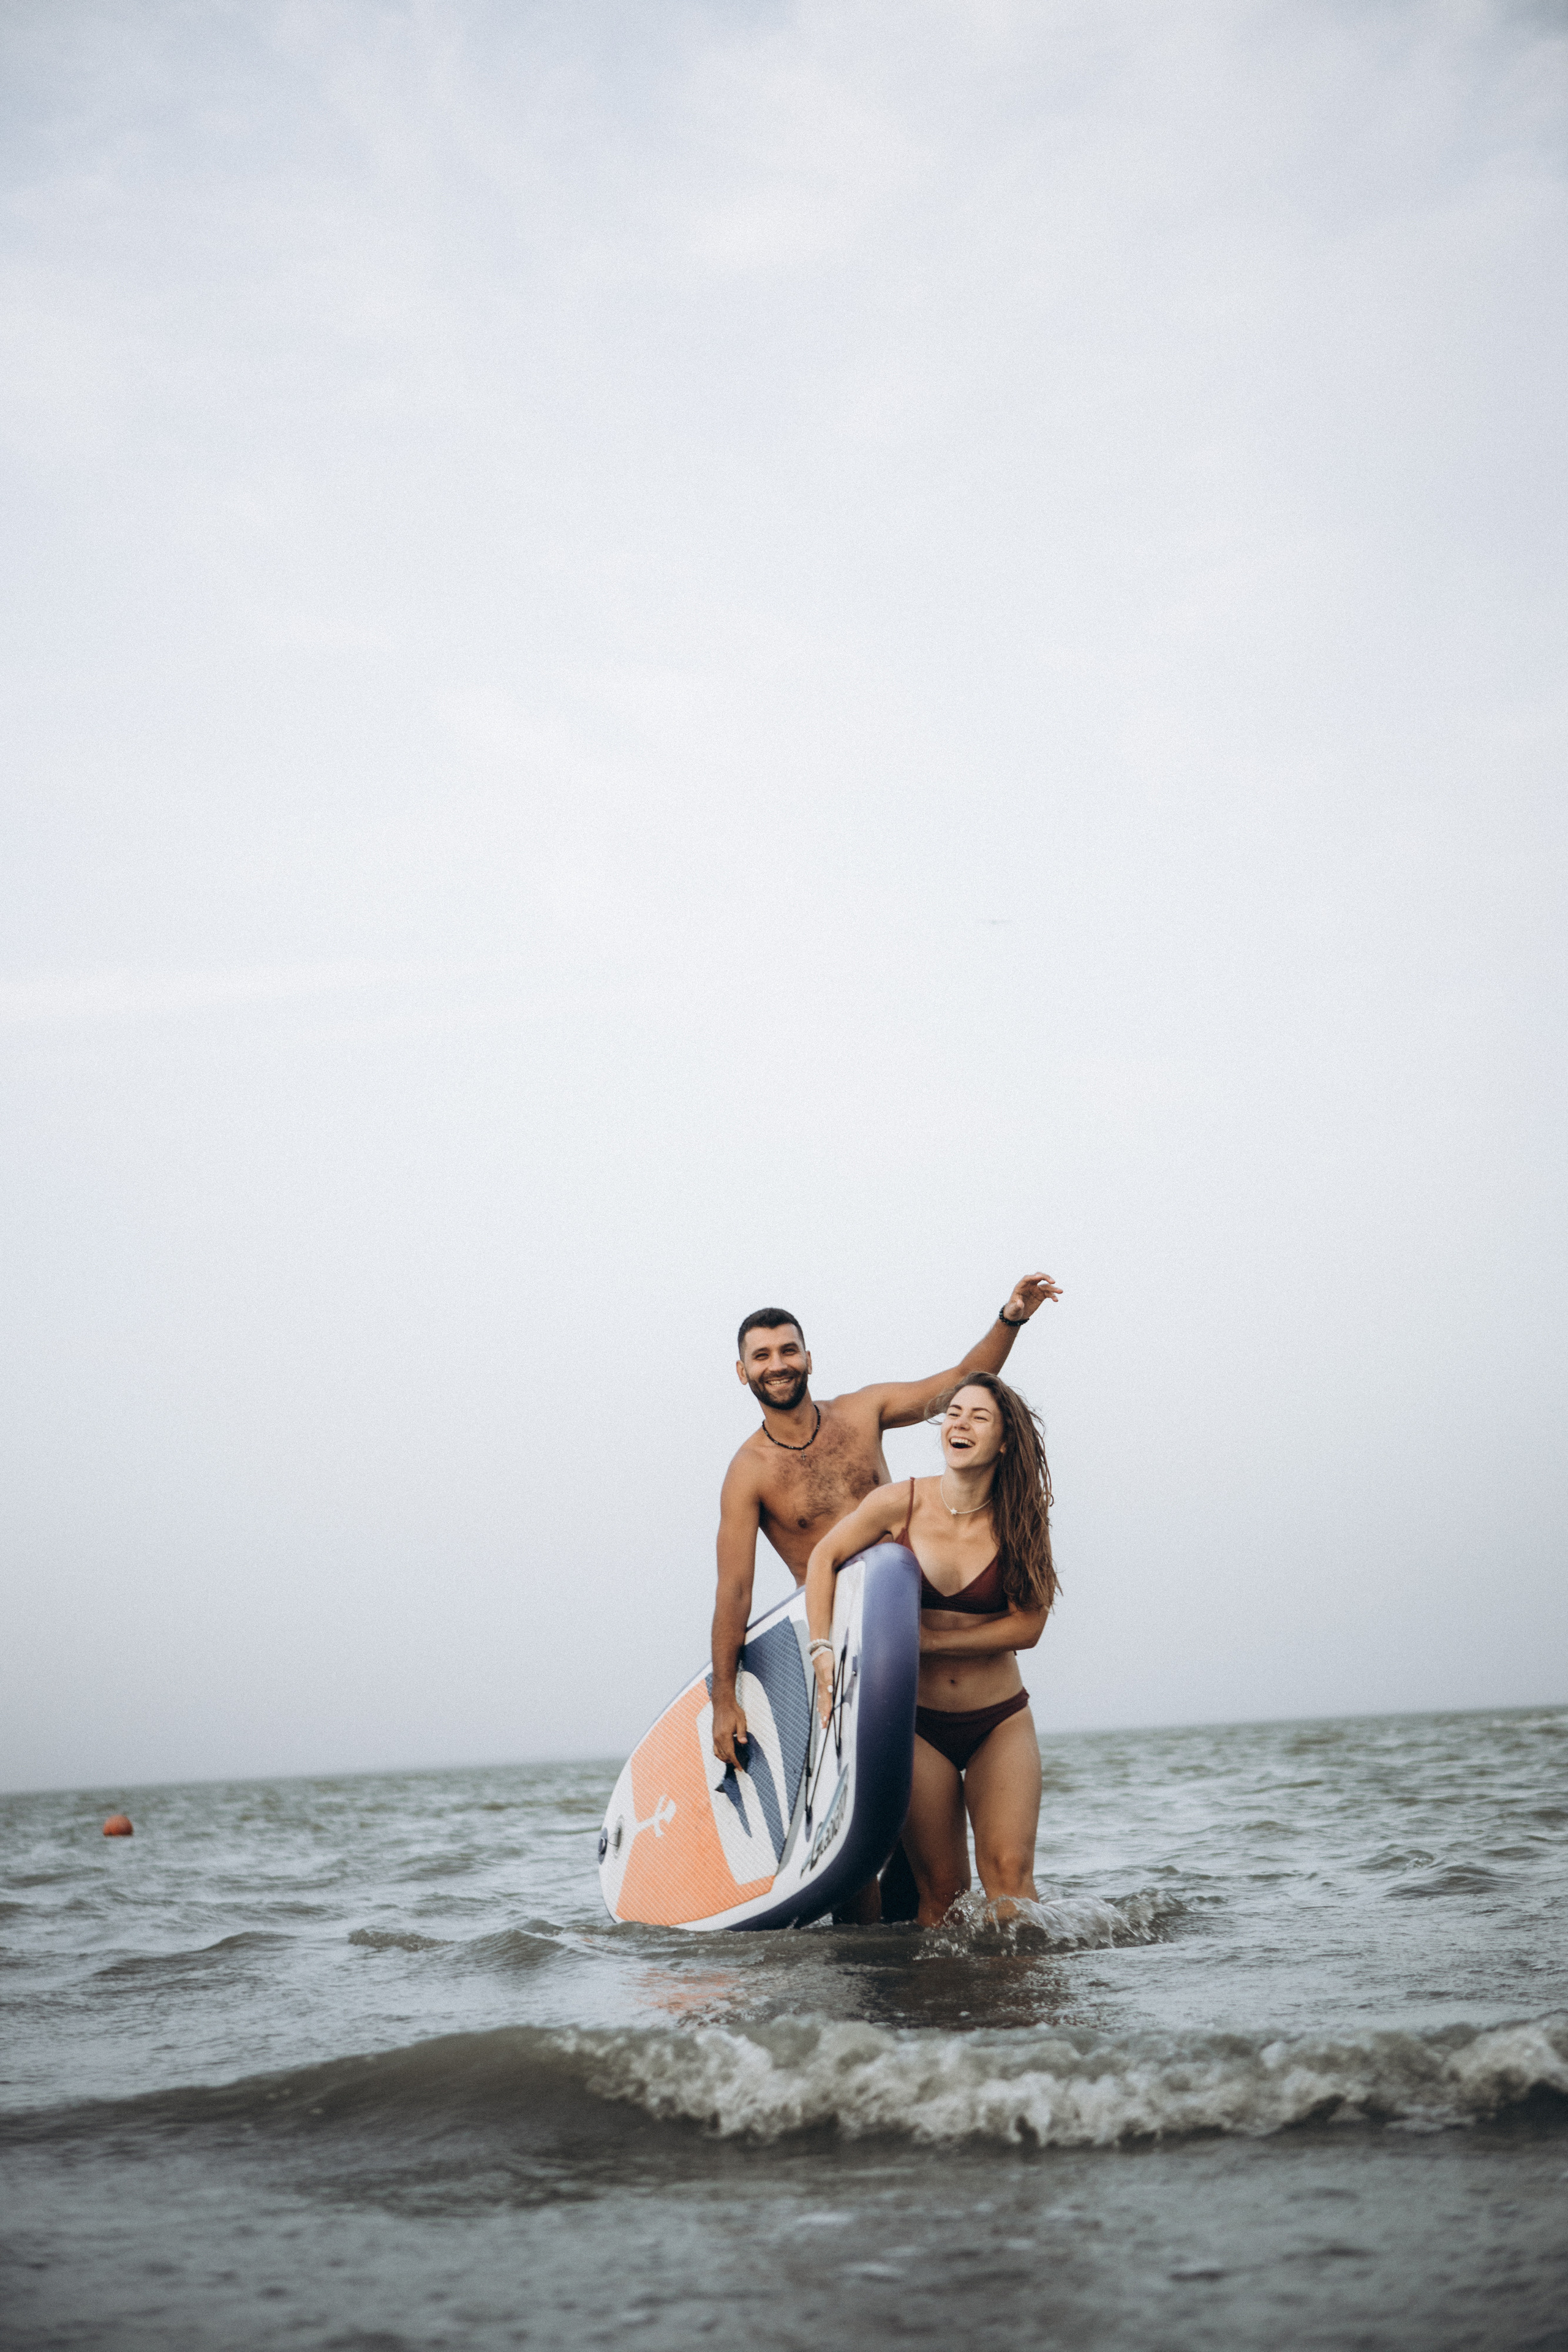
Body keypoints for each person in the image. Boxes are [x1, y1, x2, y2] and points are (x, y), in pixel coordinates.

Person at [710, 1278, 1060, 1774]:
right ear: (743, 1373)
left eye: (789, 1350)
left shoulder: (862, 1412)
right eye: (762, 1356)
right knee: (892, 1820)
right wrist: (726, 1698)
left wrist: (1011, 1319)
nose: (778, 1364)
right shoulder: (748, 1471)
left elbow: (960, 1381)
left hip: (914, 1619)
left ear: (810, 1358)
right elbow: (735, 1591)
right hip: (841, 1642)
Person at [804, 1370, 1057, 1925]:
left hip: (1000, 1721)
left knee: (1011, 1879)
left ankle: (1028, 2006)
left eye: (979, 1417)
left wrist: (933, 1640)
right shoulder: (901, 1504)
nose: (960, 1425)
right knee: (943, 1891)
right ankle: (943, 2007)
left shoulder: (1020, 1516)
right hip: (918, 1725)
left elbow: (1029, 1626)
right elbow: (824, 1559)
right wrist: (822, 1647)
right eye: (955, 1415)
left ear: (1004, 1439)